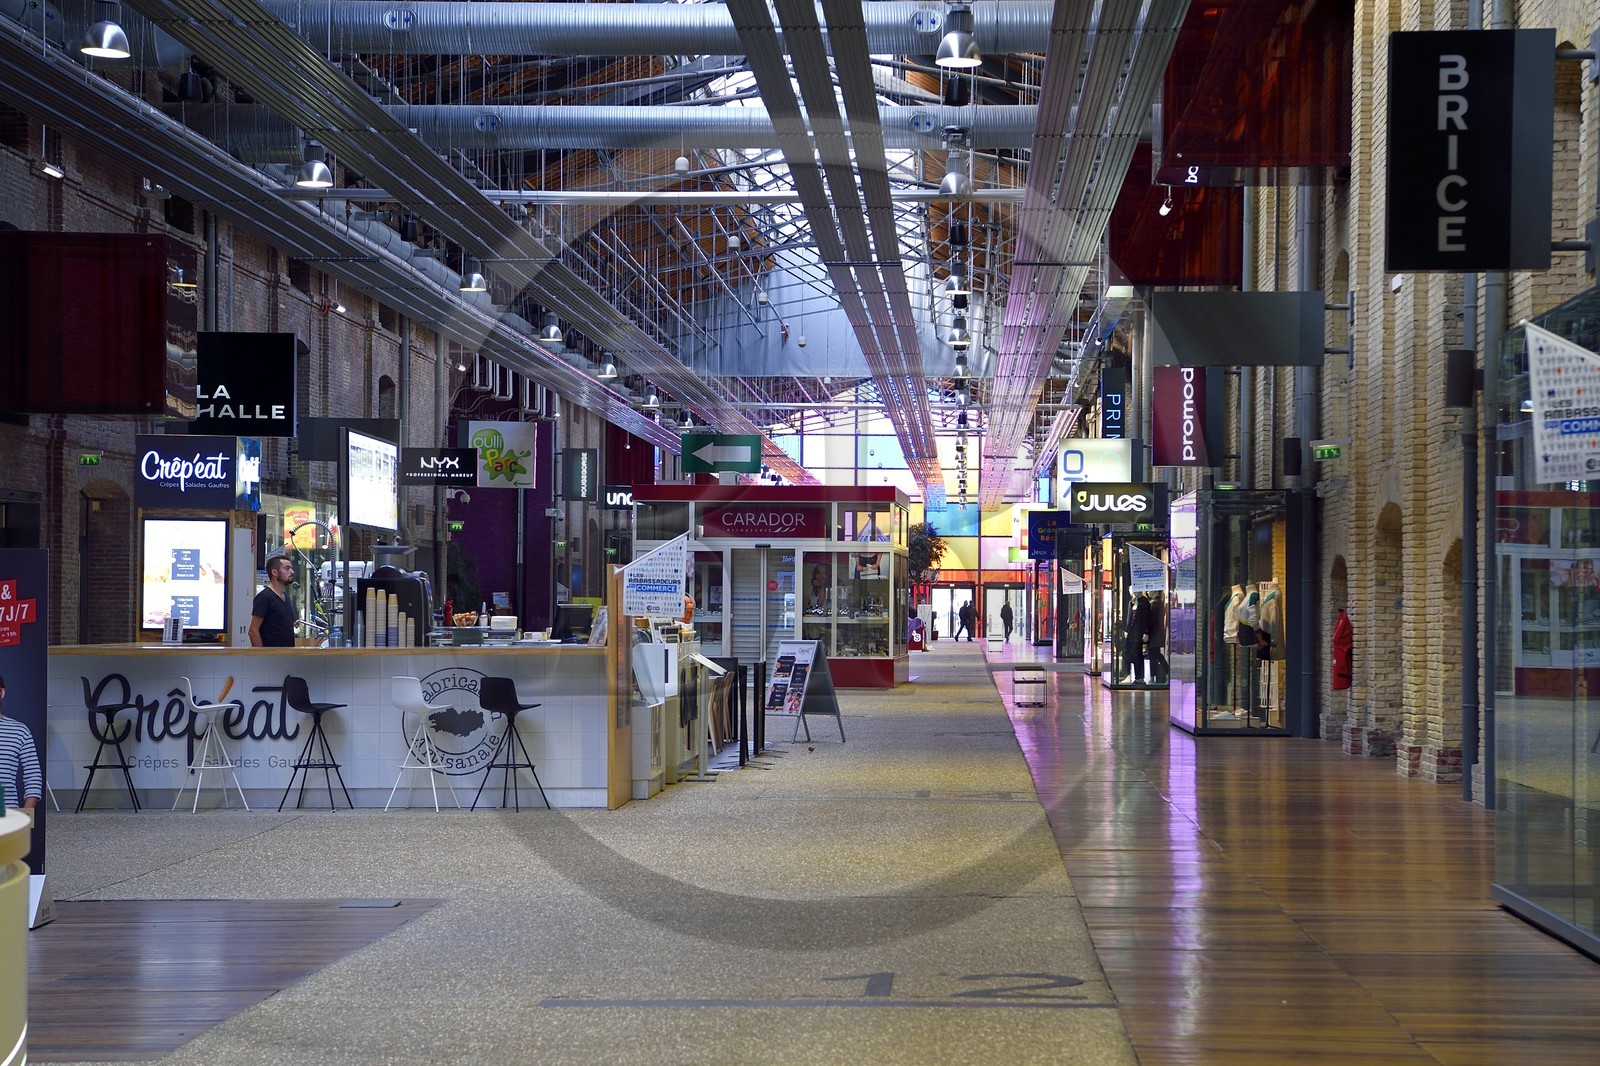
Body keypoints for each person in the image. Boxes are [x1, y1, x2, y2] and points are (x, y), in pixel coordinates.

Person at [0, 674, 43, 813]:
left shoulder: (19, 731)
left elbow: (33, 774)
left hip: (7, 816)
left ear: (1, 693)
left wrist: (27, 813)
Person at [249, 554, 298, 647]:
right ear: (275, 572)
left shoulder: (286, 597)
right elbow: (253, 630)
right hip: (271, 657)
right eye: (287, 569)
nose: (292, 572)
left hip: (287, 655)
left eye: (291, 568)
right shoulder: (264, 597)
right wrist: (262, 655)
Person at [1125, 594, 1152, 683]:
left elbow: (1146, 618)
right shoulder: (1131, 602)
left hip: (1139, 632)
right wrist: (1127, 630)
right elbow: (1129, 617)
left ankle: (1139, 677)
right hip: (1131, 633)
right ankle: (1130, 676)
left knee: (1137, 654)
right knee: (1129, 653)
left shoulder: (1144, 602)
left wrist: (1146, 632)